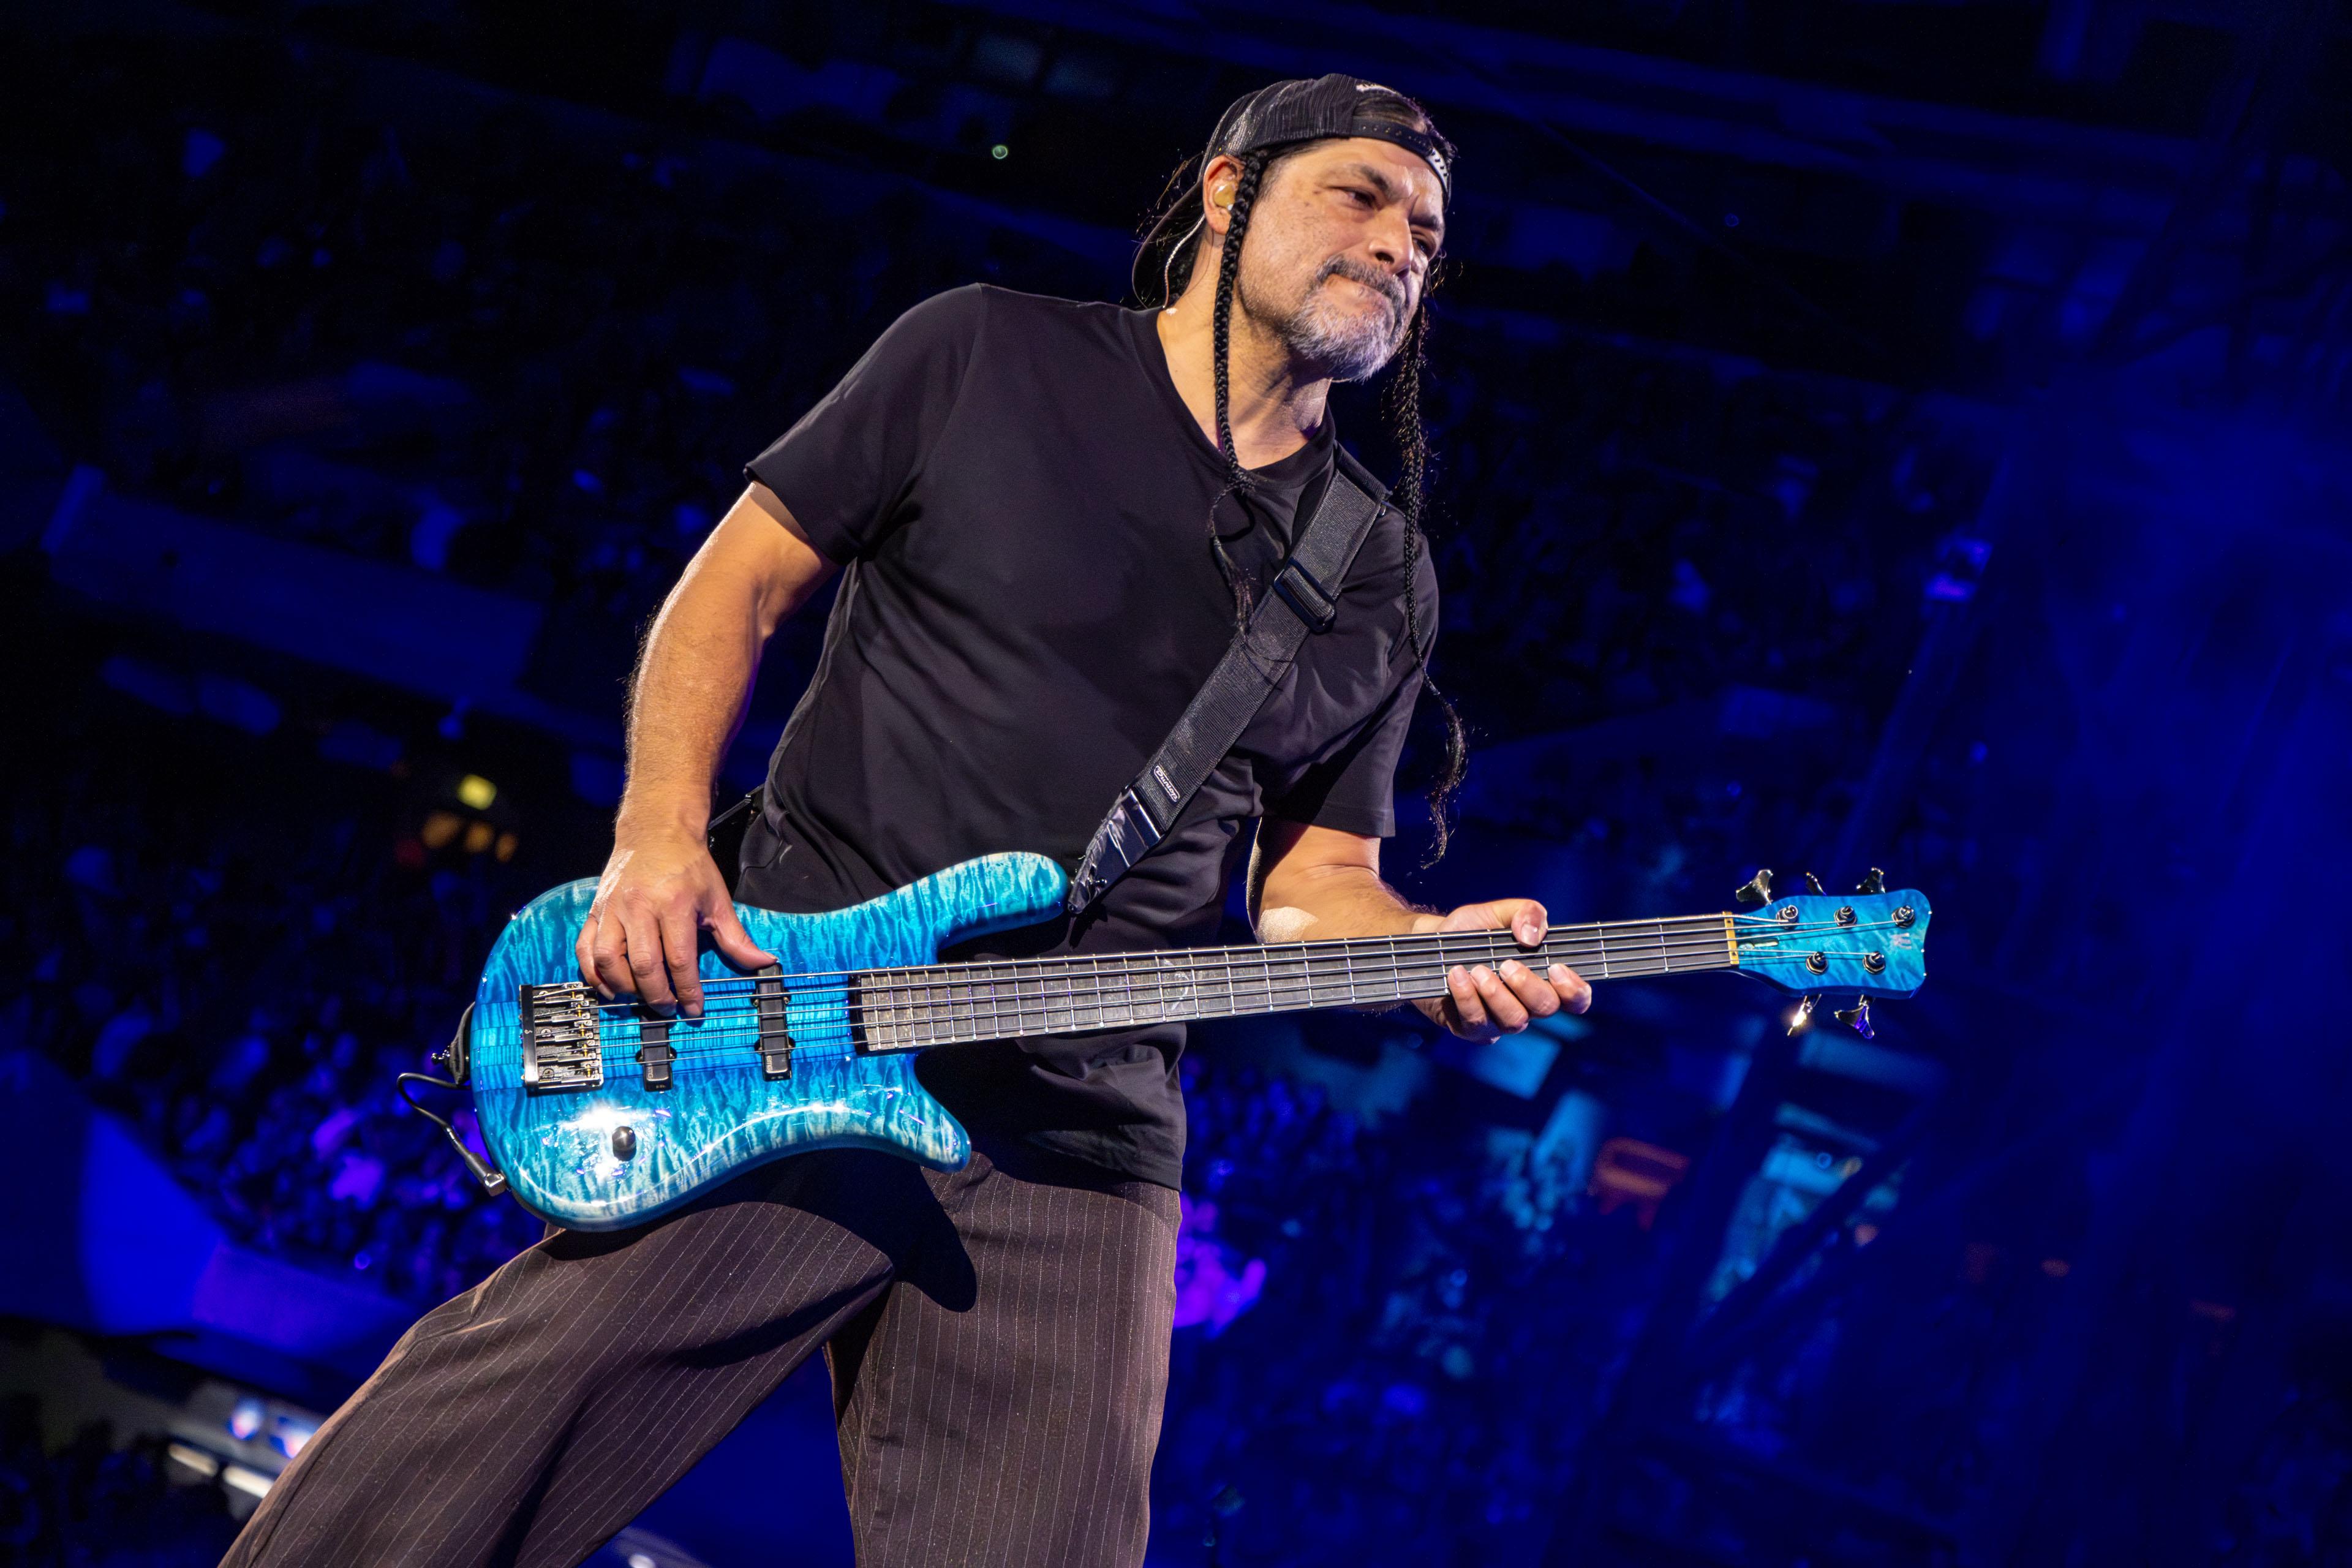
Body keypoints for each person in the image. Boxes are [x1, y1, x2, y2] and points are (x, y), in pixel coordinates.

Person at [219, 74, 1591, 1568]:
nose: (1401, 245)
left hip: (1083, 1127)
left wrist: (1416, 946)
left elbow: (1317, 877)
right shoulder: (983, 351)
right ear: (1227, 192)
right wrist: (660, 837)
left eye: (1428, 235)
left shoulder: (1377, 565)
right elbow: (738, 582)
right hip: (798, 1021)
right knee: (463, 1467)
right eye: (1363, 196)